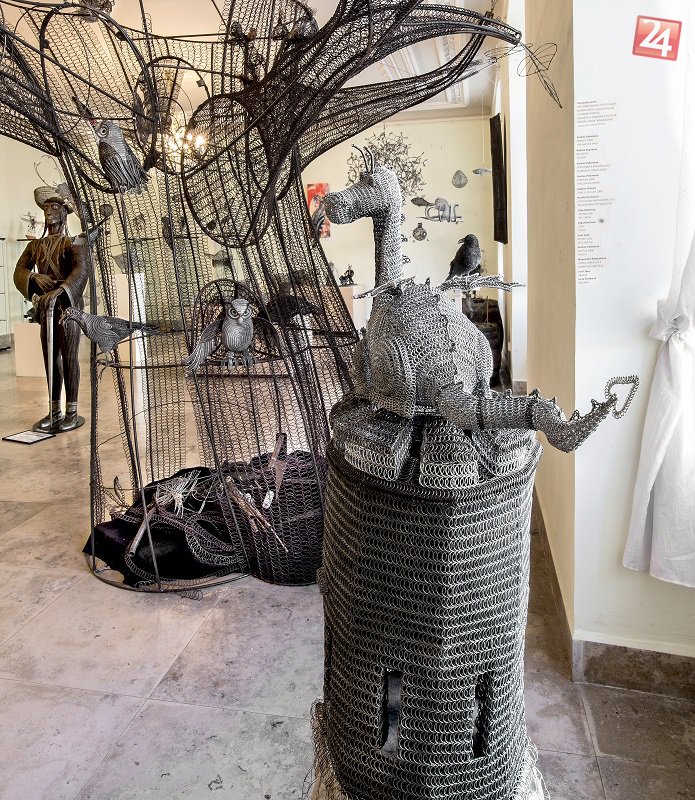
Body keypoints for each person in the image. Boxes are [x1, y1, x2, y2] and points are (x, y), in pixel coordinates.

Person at [14, 185, 89, 432]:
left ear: (63, 212)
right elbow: (20, 270)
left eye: (55, 207)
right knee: (51, 358)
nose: (49, 212)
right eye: (46, 208)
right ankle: (54, 409)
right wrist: (33, 277)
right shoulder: (35, 246)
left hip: (67, 308)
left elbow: (81, 270)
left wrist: (61, 290)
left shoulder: (73, 242)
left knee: (69, 357)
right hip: (46, 308)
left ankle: (72, 411)